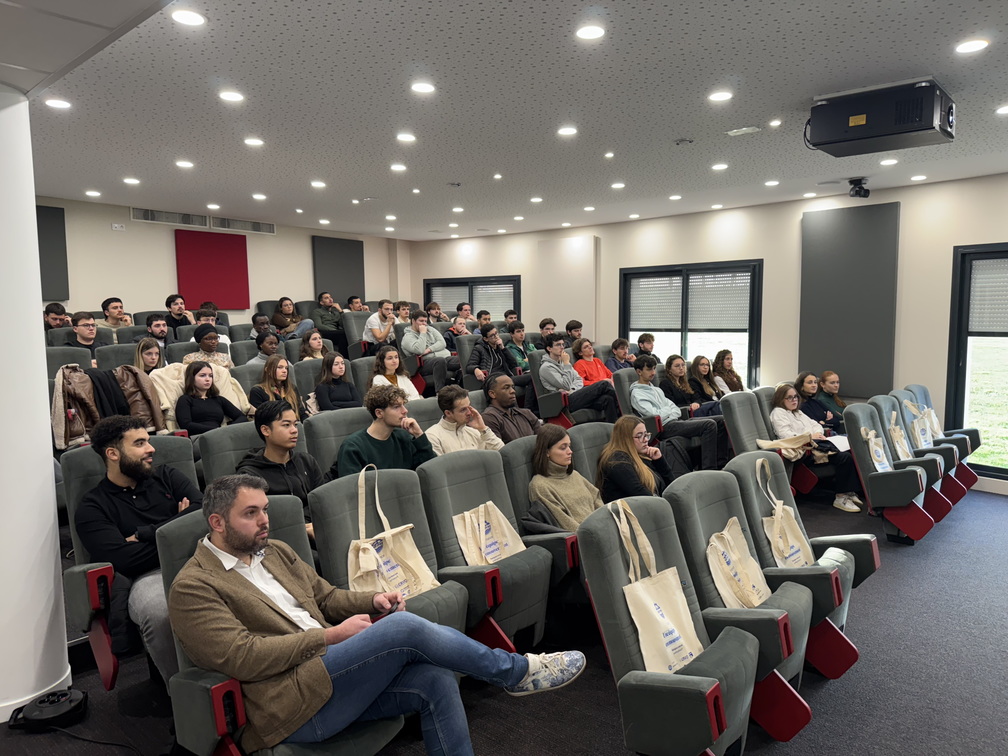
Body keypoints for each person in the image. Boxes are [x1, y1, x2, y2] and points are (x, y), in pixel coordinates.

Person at [167, 474, 586, 754]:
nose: (264, 521)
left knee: (435, 679)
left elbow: (326, 598)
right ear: (217, 522)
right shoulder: (193, 586)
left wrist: (372, 601)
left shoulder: (272, 551)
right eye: (251, 513)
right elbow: (243, 657)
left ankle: (511, 676)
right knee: (403, 628)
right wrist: (330, 637)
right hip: (287, 703)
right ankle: (515, 672)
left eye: (265, 510)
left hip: (331, 676)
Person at [76, 415, 202, 685]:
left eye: (148, 441)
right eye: (140, 443)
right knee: (159, 614)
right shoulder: (93, 506)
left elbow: (203, 512)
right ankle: (186, 693)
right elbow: (123, 560)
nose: (151, 448)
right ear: (113, 454)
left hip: (197, 558)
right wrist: (179, 525)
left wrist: (145, 534)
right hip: (147, 575)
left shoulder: (166, 476)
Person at [769, 384, 863, 513]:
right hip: (803, 451)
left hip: (815, 444)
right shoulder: (779, 413)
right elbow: (786, 435)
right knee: (843, 458)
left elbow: (815, 425)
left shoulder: (797, 412)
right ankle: (841, 498)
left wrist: (817, 434)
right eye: (789, 397)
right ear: (781, 399)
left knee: (848, 452)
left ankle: (848, 492)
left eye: (795, 397)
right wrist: (810, 436)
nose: (794, 400)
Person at [237, 400, 331, 524]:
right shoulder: (250, 475)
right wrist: (302, 528)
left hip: (315, 525)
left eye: (295, 424)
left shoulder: (306, 461)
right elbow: (260, 517)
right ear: (266, 430)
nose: (294, 430)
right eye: (286, 425)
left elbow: (321, 502)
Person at [630, 355, 723, 470]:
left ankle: (721, 464)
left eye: (654, 368)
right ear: (639, 371)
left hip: (676, 421)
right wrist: (668, 410)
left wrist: (668, 411)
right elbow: (654, 415)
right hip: (664, 427)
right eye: (649, 369)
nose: (653, 372)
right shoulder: (637, 393)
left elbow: (676, 409)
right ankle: (709, 469)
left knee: (721, 420)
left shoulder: (656, 389)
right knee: (709, 425)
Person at [336, 385, 436, 476]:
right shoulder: (353, 446)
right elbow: (350, 486)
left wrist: (419, 435)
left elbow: (430, 470)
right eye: (396, 407)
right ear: (379, 413)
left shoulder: (404, 437)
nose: (405, 411)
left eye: (403, 405)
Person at [528, 425, 603, 530]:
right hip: (583, 535)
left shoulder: (575, 475)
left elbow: (597, 499)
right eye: (563, 448)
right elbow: (563, 522)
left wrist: (607, 525)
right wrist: (592, 534)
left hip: (600, 529)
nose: (570, 451)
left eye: (569, 446)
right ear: (547, 452)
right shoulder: (540, 485)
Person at [538, 333, 619, 423]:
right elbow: (565, 385)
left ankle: (614, 427)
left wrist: (572, 389)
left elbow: (578, 380)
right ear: (549, 348)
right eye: (558, 345)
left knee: (608, 399)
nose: (562, 347)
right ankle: (624, 409)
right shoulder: (546, 368)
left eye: (562, 344)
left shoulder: (562, 362)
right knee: (604, 384)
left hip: (575, 394)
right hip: (563, 402)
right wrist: (567, 364)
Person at [596, 416, 674, 502]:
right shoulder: (616, 461)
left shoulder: (641, 456)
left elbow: (672, 488)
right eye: (639, 436)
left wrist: (659, 460)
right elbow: (641, 494)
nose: (646, 440)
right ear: (625, 439)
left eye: (646, 435)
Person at [426, 385, 505, 456]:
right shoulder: (432, 437)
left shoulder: (474, 432)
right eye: (463, 410)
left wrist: (483, 429)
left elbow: (503, 453)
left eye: (469, 406)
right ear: (448, 413)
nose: (469, 412)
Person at [174, 361, 246, 436]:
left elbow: (242, 417)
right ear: (192, 378)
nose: (208, 379)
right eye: (202, 375)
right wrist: (215, 430)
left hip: (221, 435)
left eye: (210, 376)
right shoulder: (185, 400)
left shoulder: (218, 399)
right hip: (199, 437)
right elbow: (186, 425)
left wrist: (227, 429)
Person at [400, 309, 459, 392]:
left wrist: (429, 349)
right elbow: (420, 350)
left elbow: (442, 343)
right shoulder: (408, 337)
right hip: (422, 365)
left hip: (442, 357)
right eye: (421, 321)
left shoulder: (430, 329)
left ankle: (461, 389)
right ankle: (440, 392)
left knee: (461, 360)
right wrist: (423, 333)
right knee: (439, 361)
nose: (424, 324)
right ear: (413, 321)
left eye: (425, 321)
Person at [483, 373, 542, 443]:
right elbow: (497, 447)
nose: (513, 391)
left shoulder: (526, 413)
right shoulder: (489, 418)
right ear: (492, 394)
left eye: (513, 387)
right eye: (506, 387)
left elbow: (544, 440)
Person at [311, 291, 348, 356]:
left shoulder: (335, 313)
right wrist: (334, 330)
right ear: (321, 302)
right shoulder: (317, 312)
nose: (330, 299)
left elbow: (344, 325)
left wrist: (340, 311)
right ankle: (342, 357)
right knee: (343, 334)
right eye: (326, 298)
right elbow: (319, 325)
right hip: (324, 332)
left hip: (336, 333)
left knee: (347, 333)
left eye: (330, 297)